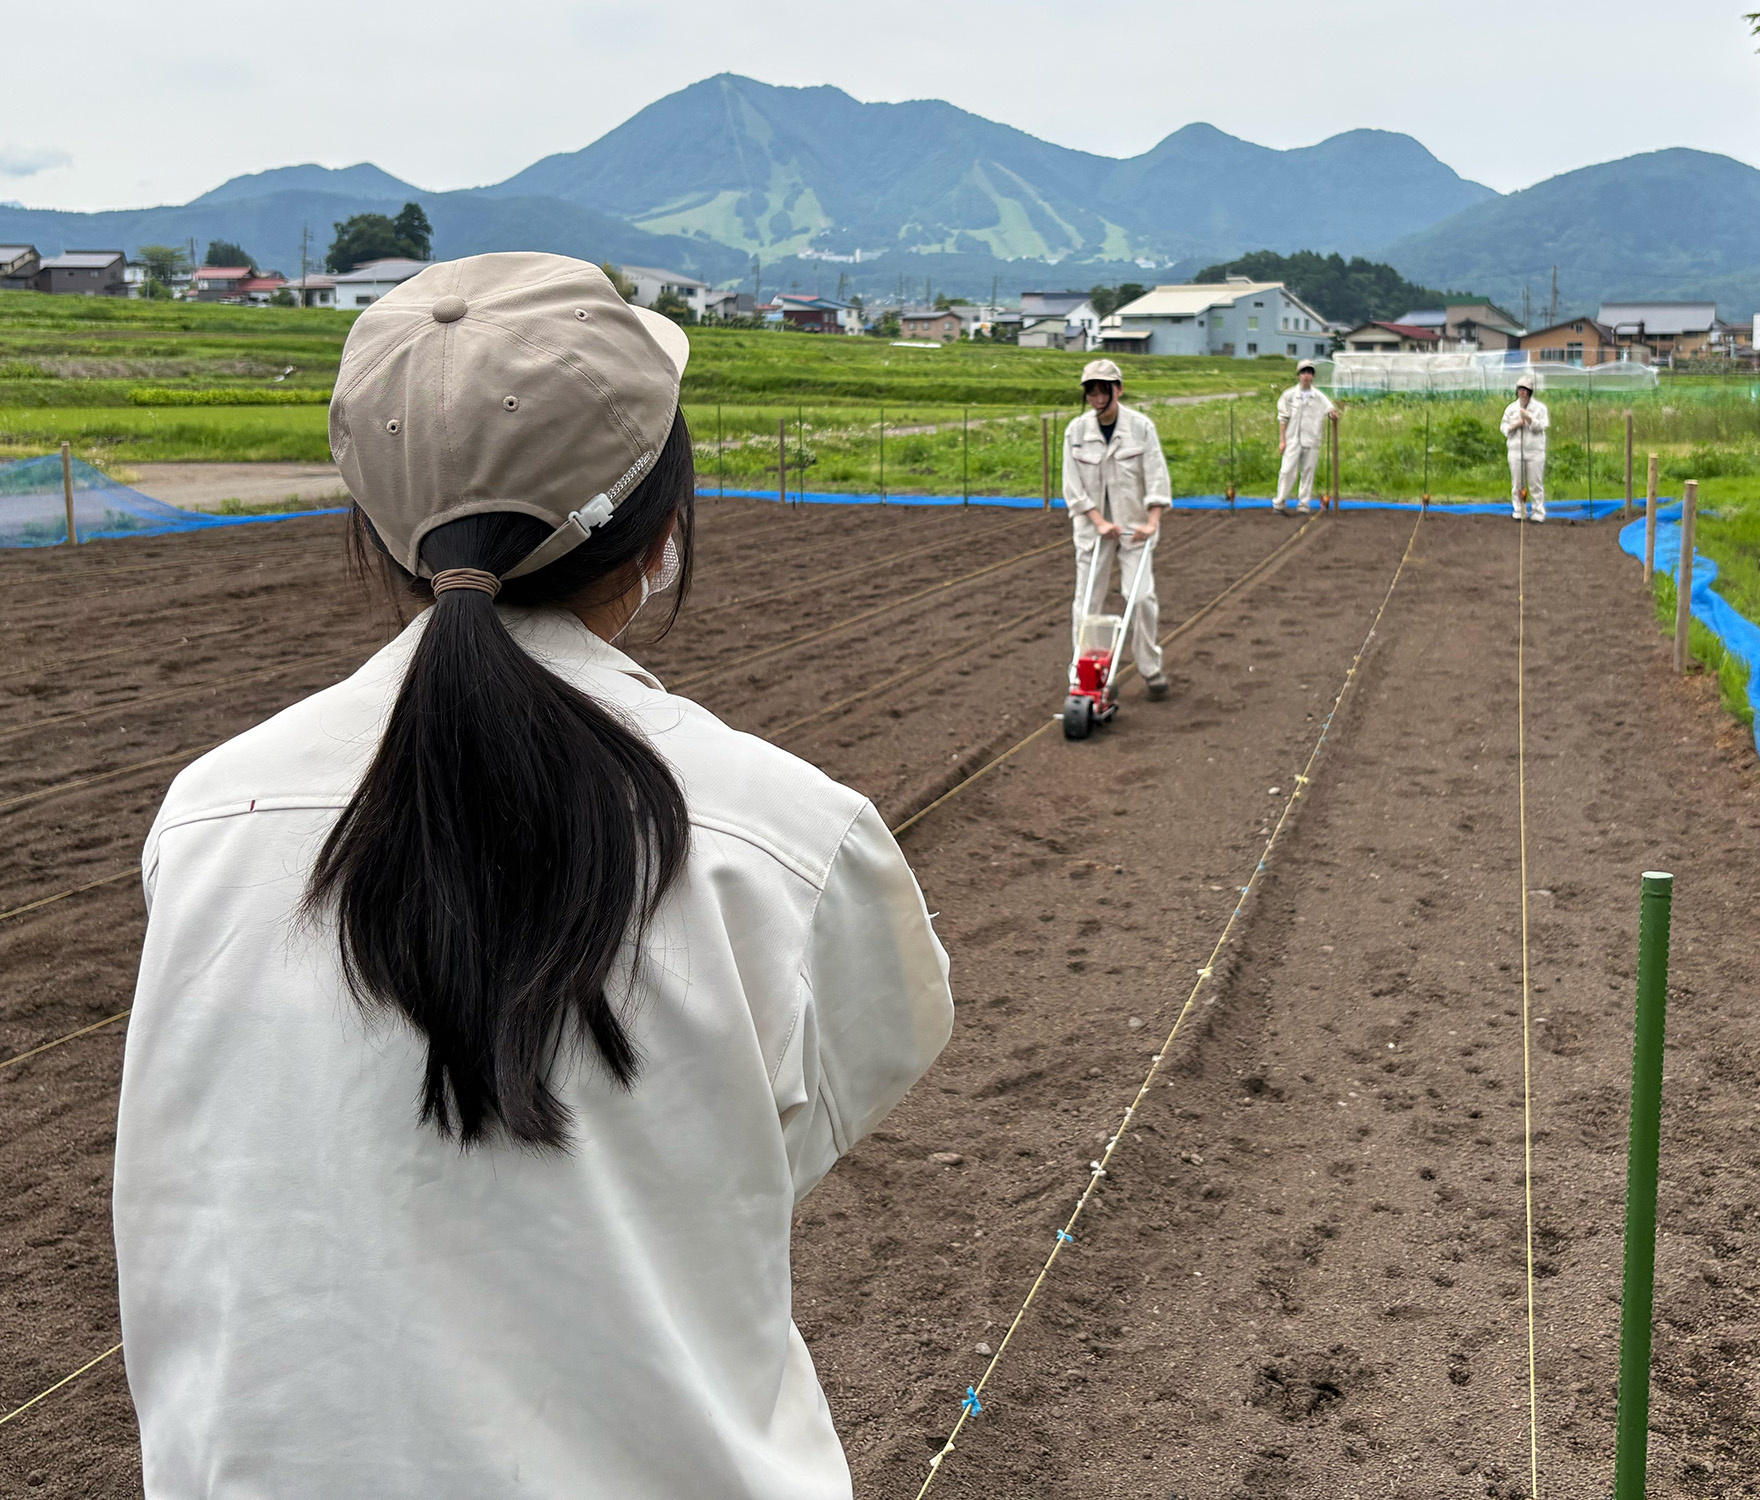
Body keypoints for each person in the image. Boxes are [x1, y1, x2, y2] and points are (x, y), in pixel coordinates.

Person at [112, 253, 954, 1500]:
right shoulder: (785, 835)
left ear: (381, 534)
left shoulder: (210, 815)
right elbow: (807, 1113)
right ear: (662, 529)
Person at [1062, 357, 1173, 699]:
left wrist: (1152, 523)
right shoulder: (1076, 432)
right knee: (1087, 603)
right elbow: (1073, 487)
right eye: (1091, 391)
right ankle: (1083, 673)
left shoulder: (1141, 428)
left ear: (1118, 390)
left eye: (1102, 390)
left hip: (1135, 526)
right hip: (1094, 528)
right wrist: (1098, 521)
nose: (1096, 397)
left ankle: (1150, 668)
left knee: (1140, 599)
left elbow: (1156, 475)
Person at [1273, 358, 1334, 512]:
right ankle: (1279, 502)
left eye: (1309, 373)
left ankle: (1303, 504)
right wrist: (1282, 441)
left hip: (1312, 440)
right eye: (1303, 373)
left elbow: (1330, 410)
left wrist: (1333, 415)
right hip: (1292, 439)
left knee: (1308, 472)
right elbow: (1282, 418)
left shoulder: (1319, 396)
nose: (1306, 376)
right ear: (1298, 375)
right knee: (1287, 471)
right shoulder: (1288, 395)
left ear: (1313, 376)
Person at [1501, 369, 1550, 522]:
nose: (1522, 393)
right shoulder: (1511, 409)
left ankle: (1538, 512)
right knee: (1517, 483)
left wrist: (1529, 419)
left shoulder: (1540, 409)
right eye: (1520, 390)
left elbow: (1542, 426)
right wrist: (1515, 424)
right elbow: (1504, 427)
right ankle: (1519, 511)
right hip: (1516, 450)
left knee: (1536, 483)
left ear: (1530, 392)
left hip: (1535, 451)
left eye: (1525, 390)